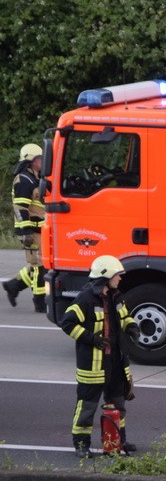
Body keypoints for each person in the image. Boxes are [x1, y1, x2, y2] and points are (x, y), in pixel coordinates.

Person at [60, 255, 141, 458]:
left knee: (118, 405)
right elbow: (67, 323)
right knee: (87, 407)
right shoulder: (85, 300)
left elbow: (124, 315)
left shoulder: (116, 296)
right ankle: (81, 444)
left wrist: (131, 325)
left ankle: (118, 441)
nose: (120, 279)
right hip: (93, 366)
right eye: (117, 275)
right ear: (106, 276)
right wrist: (92, 339)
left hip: (115, 362)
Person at [4, 144, 47, 312]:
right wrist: (26, 232)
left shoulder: (36, 178)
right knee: (40, 267)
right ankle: (40, 303)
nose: (42, 161)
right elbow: (21, 209)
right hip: (32, 232)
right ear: (31, 161)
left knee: (42, 264)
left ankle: (13, 285)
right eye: (39, 159)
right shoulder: (24, 180)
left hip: (41, 230)